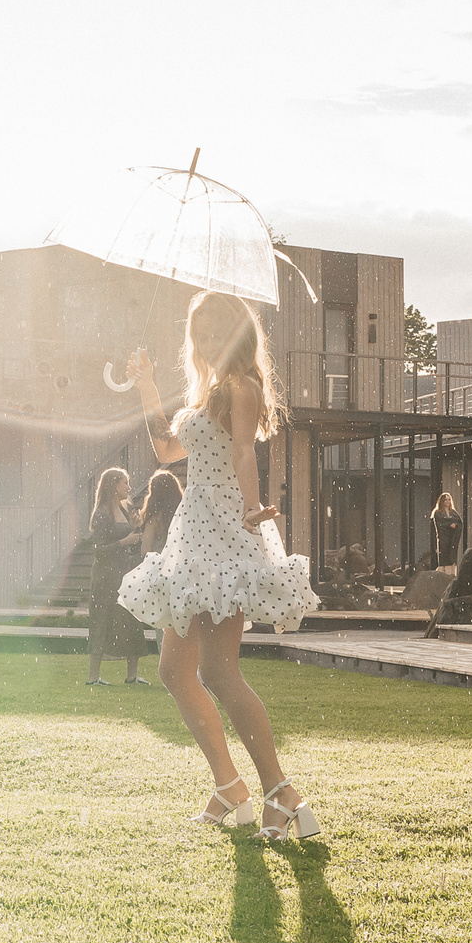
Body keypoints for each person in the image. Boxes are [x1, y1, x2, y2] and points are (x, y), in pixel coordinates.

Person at [118, 292, 323, 840]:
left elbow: (241, 455)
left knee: (217, 670)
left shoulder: (242, 388)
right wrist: (146, 387)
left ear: (238, 336)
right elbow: (166, 451)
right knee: (173, 670)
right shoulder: (206, 392)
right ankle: (231, 787)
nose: (208, 342)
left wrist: (254, 508)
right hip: (194, 529)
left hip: (226, 527)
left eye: (218, 332)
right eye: (201, 333)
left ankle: (281, 793)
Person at [83, 467, 146, 686]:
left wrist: (137, 528)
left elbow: (133, 542)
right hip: (105, 576)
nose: (128, 487)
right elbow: (99, 550)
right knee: (102, 621)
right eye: (124, 483)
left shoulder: (126, 510)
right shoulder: (101, 513)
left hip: (124, 573)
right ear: (112, 486)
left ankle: (132, 675)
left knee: (131, 620)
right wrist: (123, 542)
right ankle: (93, 677)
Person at [429, 489, 464, 570]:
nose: (447, 501)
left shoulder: (454, 512)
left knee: (452, 553)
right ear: (442, 501)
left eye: (449, 500)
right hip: (444, 537)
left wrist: (455, 525)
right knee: (444, 555)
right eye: (445, 500)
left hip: (452, 537)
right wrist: (449, 524)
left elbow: (460, 522)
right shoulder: (437, 512)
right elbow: (440, 523)